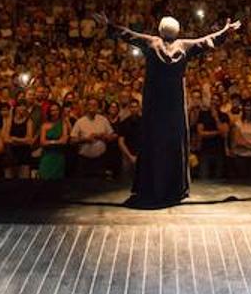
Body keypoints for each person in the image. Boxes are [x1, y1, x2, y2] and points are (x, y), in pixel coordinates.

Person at [98, 12, 241, 208]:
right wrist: (226, 31)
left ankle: (150, 187)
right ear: (178, 31)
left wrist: (109, 24)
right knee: (174, 145)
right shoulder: (185, 46)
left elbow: (128, 34)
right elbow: (209, 40)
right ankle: (174, 187)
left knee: (153, 144)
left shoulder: (151, 43)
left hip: (155, 107)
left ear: (159, 29)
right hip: (174, 109)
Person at [70, 98, 116, 179]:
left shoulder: (103, 120)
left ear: (98, 107)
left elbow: (112, 137)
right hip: (84, 160)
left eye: (95, 105)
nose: (92, 107)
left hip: (100, 159)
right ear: (86, 107)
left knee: (100, 185)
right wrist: (85, 139)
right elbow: (72, 140)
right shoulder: (80, 122)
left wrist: (103, 136)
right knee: (85, 186)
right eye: (90, 105)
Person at [229, 98, 251, 178]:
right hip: (241, 156)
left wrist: (247, 143)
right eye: (246, 106)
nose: (248, 108)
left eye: (249, 106)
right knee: (242, 181)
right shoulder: (238, 123)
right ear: (243, 108)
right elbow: (237, 141)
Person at [3, 102, 37, 179]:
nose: (21, 109)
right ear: (16, 108)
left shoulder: (29, 121)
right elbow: (5, 139)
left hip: (24, 155)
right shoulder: (10, 120)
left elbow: (29, 140)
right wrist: (22, 141)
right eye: (19, 106)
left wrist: (15, 139)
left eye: (23, 107)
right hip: (11, 155)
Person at [37, 102, 69, 180]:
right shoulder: (45, 125)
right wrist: (55, 142)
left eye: (56, 110)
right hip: (47, 155)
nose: (54, 112)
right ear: (49, 112)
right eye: (52, 110)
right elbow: (42, 142)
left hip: (59, 156)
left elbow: (64, 141)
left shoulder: (63, 124)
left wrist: (49, 142)